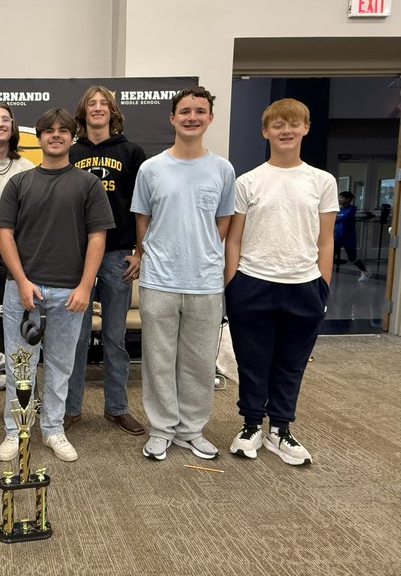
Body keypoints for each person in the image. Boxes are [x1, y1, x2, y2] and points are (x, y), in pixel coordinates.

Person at [0, 108, 115, 463]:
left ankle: (52, 429)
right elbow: (4, 234)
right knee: (20, 366)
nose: (56, 135)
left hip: (69, 293)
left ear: (72, 137)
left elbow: (97, 238)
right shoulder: (19, 183)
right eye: (49, 130)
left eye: (64, 130)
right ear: (39, 137)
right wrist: (21, 281)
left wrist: (86, 286)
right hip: (23, 291)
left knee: (61, 366)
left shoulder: (88, 184)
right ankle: (15, 431)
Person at [225, 98, 338, 466]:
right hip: (252, 283)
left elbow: (325, 241)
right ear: (266, 131)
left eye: (293, 124)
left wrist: (322, 286)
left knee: (291, 363)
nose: (286, 130)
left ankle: (280, 429)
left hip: (304, 285)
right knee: (252, 362)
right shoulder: (248, 181)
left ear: (306, 128)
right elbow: (234, 239)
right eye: (278, 125)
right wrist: (232, 286)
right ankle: (251, 425)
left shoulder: (322, 181)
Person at [131, 86, 235, 462]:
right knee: (158, 360)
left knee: (199, 361)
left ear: (210, 118)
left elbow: (223, 222)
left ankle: (191, 430)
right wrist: (155, 254)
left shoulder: (223, 169)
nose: (192, 117)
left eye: (200, 111)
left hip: (204, 281)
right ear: (172, 118)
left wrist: (202, 252)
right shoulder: (151, 169)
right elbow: (142, 221)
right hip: (159, 279)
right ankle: (161, 429)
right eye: (185, 111)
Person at [64, 85, 148, 436]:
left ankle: (117, 408)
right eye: (91, 104)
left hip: (117, 253)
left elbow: (142, 206)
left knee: (114, 337)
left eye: (104, 103)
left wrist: (140, 250)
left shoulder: (132, 152)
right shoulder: (70, 152)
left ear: (113, 112)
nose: (98, 108)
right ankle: (70, 409)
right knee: (75, 337)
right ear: (82, 113)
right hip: (77, 255)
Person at [0, 103, 35, 389]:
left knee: (14, 318)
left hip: (15, 253)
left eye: (5, 119)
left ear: (13, 126)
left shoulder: (27, 167)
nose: (0, 123)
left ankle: (11, 374)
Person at [335, 191, 372, 282]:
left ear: (348, 199)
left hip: (348, 239)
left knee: (352, 258)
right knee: (329, 256)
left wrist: (332, 221)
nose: (339, 199)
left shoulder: (351, 209)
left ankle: (365, 272)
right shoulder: (337, 209)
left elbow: (344, 217)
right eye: (339, 197)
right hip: (336, 237)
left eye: (342, 197)